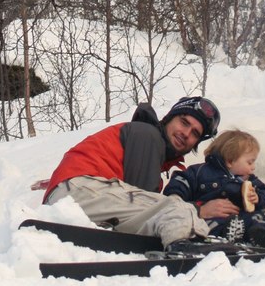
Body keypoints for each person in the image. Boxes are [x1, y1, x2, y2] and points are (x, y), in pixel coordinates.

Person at [41, 97, 222, 248]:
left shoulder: (146, 142)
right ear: (169, 118)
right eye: (184, 123)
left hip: (75, 195)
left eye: (195, 133)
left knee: (173, 209)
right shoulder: (147, 135)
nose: (186, 133)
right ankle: (189, 247)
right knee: (178, 209)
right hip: (80, 190)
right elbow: (143, 202)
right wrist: (199, 210)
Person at [163, 129, 265, 249]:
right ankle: (218, 241)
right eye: (250, 163)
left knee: (257, 219)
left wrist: (258, 198)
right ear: (230, 160)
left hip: (243, 218)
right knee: (207, 226)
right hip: (210, 218)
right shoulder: (199, 172)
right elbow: (177, 188)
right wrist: (195, 205)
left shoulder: (250, 181)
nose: (253, 168)